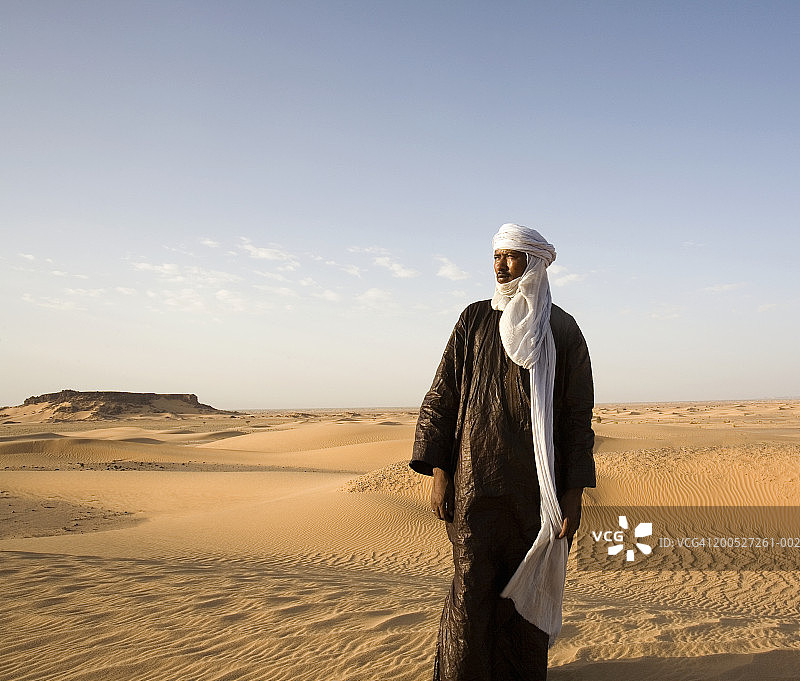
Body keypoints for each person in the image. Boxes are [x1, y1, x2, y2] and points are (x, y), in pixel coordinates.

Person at [409, 223, 596, 681]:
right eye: (497, 256)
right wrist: (439, 469)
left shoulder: (562, 329)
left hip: (538, 491)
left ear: (534, 262)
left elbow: (577, 415)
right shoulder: (474, 319)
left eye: (512, 257)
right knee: (471, 589)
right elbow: (443, 395)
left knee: (523, 596)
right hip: (476, 482)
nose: (501, 265)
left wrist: (573, 492)